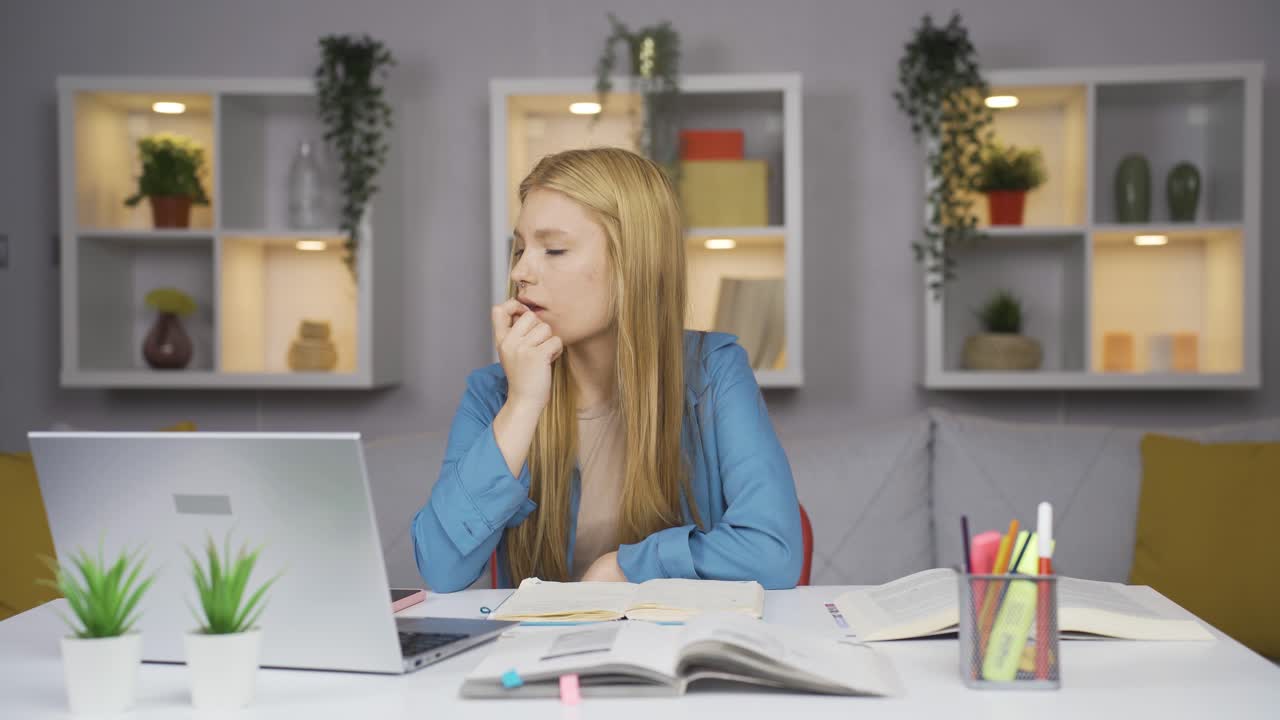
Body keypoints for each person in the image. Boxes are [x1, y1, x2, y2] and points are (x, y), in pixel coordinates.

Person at [411, 147, 802, 592]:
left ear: (632, 264)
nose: (521, 270)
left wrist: (627, 568)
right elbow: (441, 569)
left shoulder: (713, 372)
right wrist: (522, 403)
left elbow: (774, 555)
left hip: (673, 651)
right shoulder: (494, 394)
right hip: (545, 655)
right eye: (519, 248)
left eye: (554, 249)